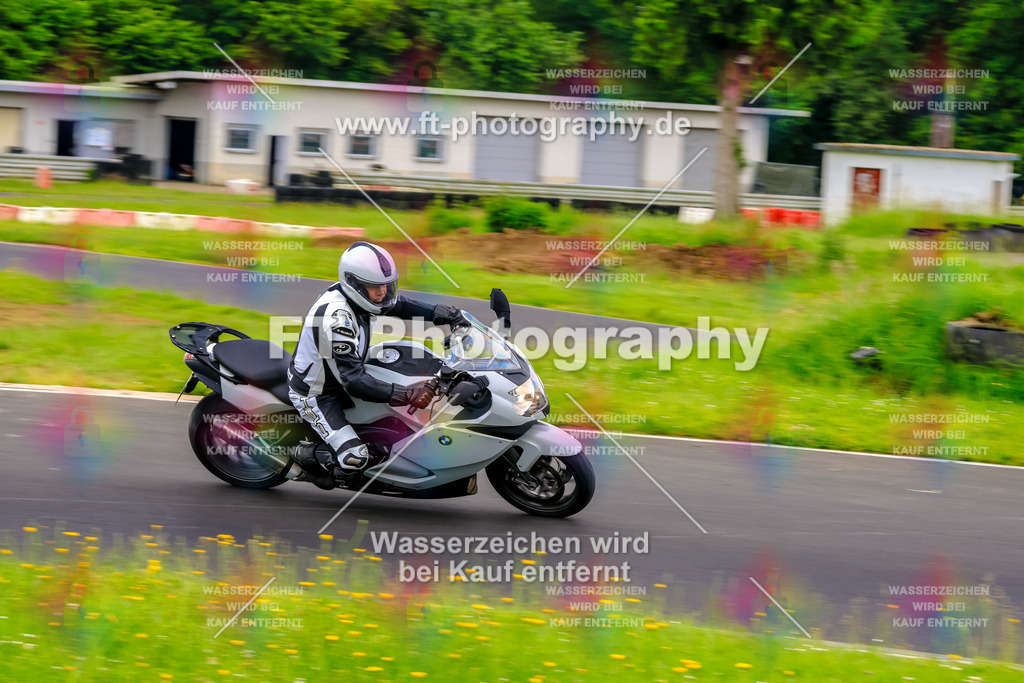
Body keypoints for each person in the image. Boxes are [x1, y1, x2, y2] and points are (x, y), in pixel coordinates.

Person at [287, 241, 465, 489]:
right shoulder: (336, 319)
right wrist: (407, 395)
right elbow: (356, 382)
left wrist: (444, 313)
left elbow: (400, 305)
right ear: (355, 284)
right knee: (355, 457)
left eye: (386, 284)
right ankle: (303, 458)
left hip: (344, 374)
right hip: (320, 394)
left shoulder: (359, 297)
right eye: (374, 287)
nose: (383, 292)